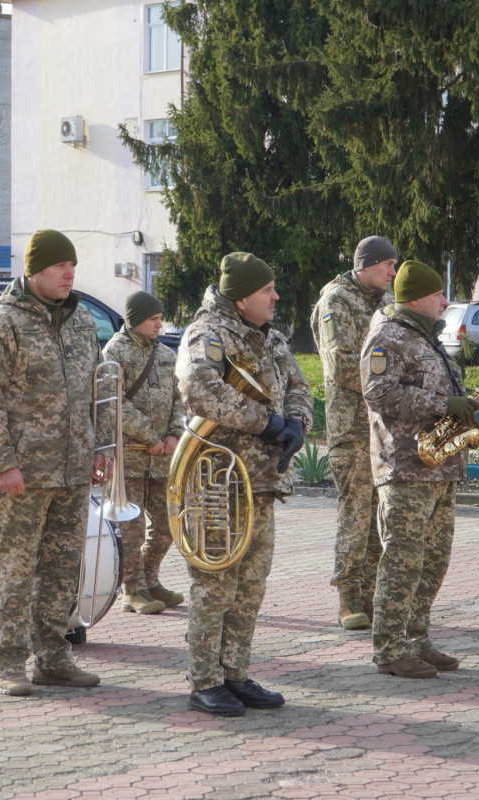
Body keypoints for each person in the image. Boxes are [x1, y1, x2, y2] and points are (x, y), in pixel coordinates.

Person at [0, 229, 106, 696]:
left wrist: (99, 451)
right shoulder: (1, 322)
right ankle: (5, 663)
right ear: (33, 271)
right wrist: (2, 463)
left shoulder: (82, 320)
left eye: (72, 266)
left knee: (64, 568)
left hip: (73, 469)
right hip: (21, 474)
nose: (69, 273)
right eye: (58, 267)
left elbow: (98, 393)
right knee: (15, 570)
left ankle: (53, 657)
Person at [176, 252, 312, 716]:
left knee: (251, 583)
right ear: (241, 297)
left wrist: (295, 423)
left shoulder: (270, 338)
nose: (275, 297)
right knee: (215, 583)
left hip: (262, 481)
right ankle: (204, 681)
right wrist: (266, 423)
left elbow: (299, 386)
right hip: (219, 479)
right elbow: (200, 389)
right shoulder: (207, 332)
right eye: (267, 291)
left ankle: (234, 672)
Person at [359, 261, 475, 679]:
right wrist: (444, 406)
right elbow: (378, 392)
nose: (445, 301)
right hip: (406, 466)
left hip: (440, 466)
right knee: (403, 560)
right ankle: (390, 648)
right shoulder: (388, 335)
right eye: (439, 294)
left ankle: (416, 637)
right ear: (417, 298)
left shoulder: (427, 337)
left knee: (433, 560)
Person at [311, 235, 396, 630]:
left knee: (381, 514)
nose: (393, 274)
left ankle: (372, 596)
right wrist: (392, 382)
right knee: (356, 514)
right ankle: (348, 596)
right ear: (368, 263)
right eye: (388, 266)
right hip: (352, 429)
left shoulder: (381, 303)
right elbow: (341, 366)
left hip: (383, 429)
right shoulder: (336, 301)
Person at [102, 291, 187, 615]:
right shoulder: (114, 352)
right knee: (131, 529)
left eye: (159, 318)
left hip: (163, 457)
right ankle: (133, 590)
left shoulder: (166, 355)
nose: (159, 324)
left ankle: (151, 581)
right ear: (135, 319)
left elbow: (180, 398)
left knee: (168, 526)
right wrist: (152, 436)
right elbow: (113, 403)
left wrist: (174, 434)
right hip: (129, 459)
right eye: (153, 319)